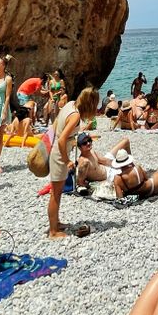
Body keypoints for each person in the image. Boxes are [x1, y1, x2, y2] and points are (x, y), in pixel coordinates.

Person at [48, 86, 100, 238]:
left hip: (57, 151)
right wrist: (67, 161)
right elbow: (62, 139)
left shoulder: (70, 104)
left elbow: (59, 125)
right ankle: (53, 231)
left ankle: (56, 223)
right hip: (59, 155)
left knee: (56, 193)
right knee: (55, 194)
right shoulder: (76, 116)